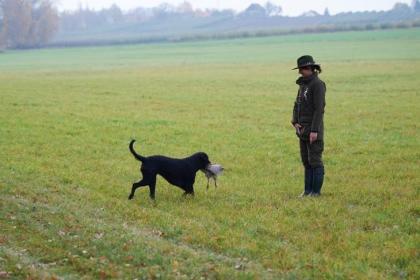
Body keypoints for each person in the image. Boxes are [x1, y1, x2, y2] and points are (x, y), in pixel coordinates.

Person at [291, 55, 326, 197]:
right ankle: (307, 191)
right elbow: (297, 104)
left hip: (313, 130)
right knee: (306, 161)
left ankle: (316, 192)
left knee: (315, 161)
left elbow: (319, 109)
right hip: (302, 129)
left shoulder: (317, 85)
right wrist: (294, 121)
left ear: (308, 68)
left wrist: (314, 130)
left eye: (301, 69)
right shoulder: (303, 84)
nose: (299, 72)